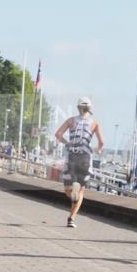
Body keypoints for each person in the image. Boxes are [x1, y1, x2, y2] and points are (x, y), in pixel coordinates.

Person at [55, 96, 105, 228]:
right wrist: (97, 149)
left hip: (72, 155)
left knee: (68, 189)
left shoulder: (71, 121)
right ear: (90, 109)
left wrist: (68, 143)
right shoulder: (94, 124)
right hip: (85, 157)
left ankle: (72, 198)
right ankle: (71, 218)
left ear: (78, 108)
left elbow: (58, 134)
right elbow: (102, 142)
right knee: (81, 190)